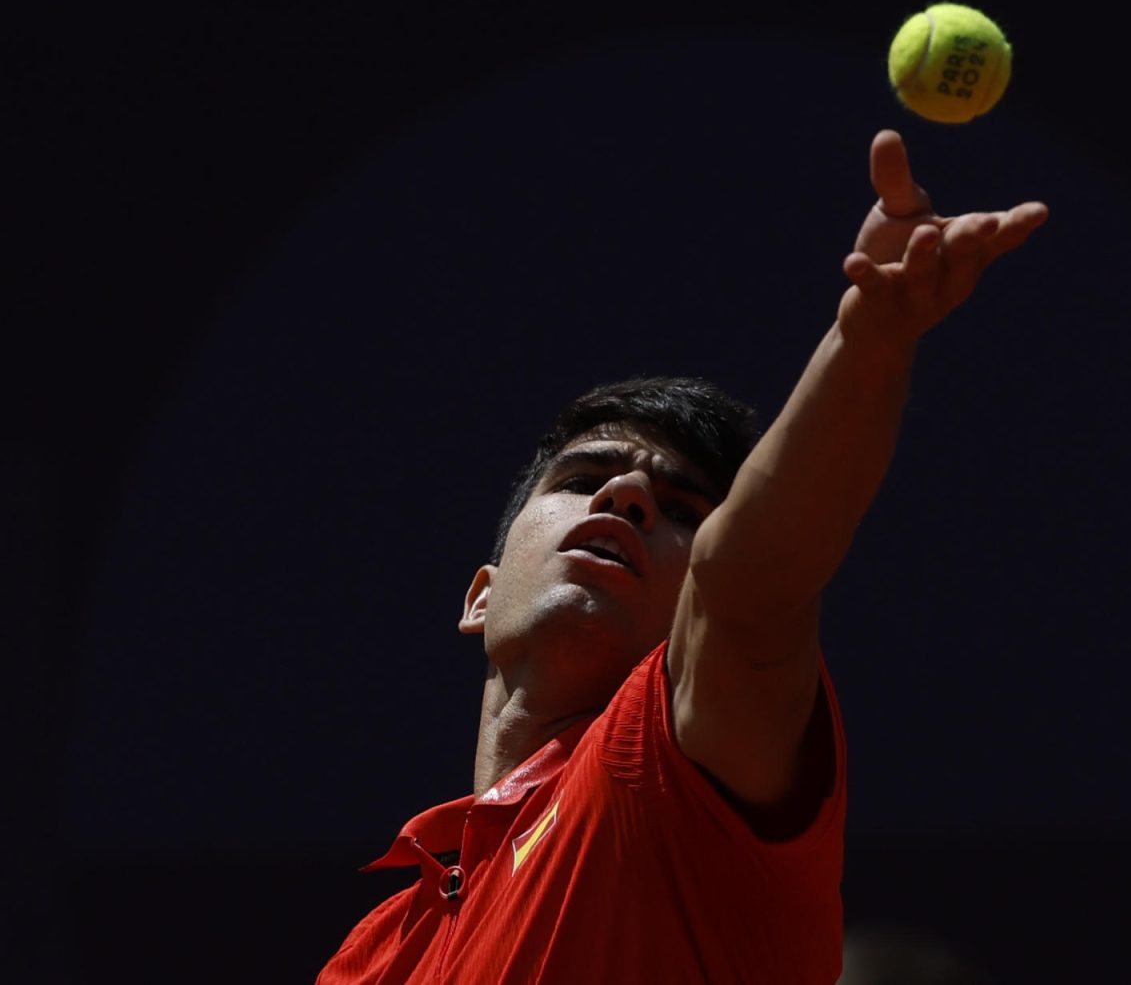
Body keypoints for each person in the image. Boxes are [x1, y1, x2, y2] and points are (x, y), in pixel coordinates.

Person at [314, 129, 1048, 984]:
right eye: (585, 477)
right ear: (480, 597)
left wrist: (871, 345)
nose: (625, 498)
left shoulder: (656, 772)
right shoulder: (374, 954)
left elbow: (747, 583)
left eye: (680, 509)